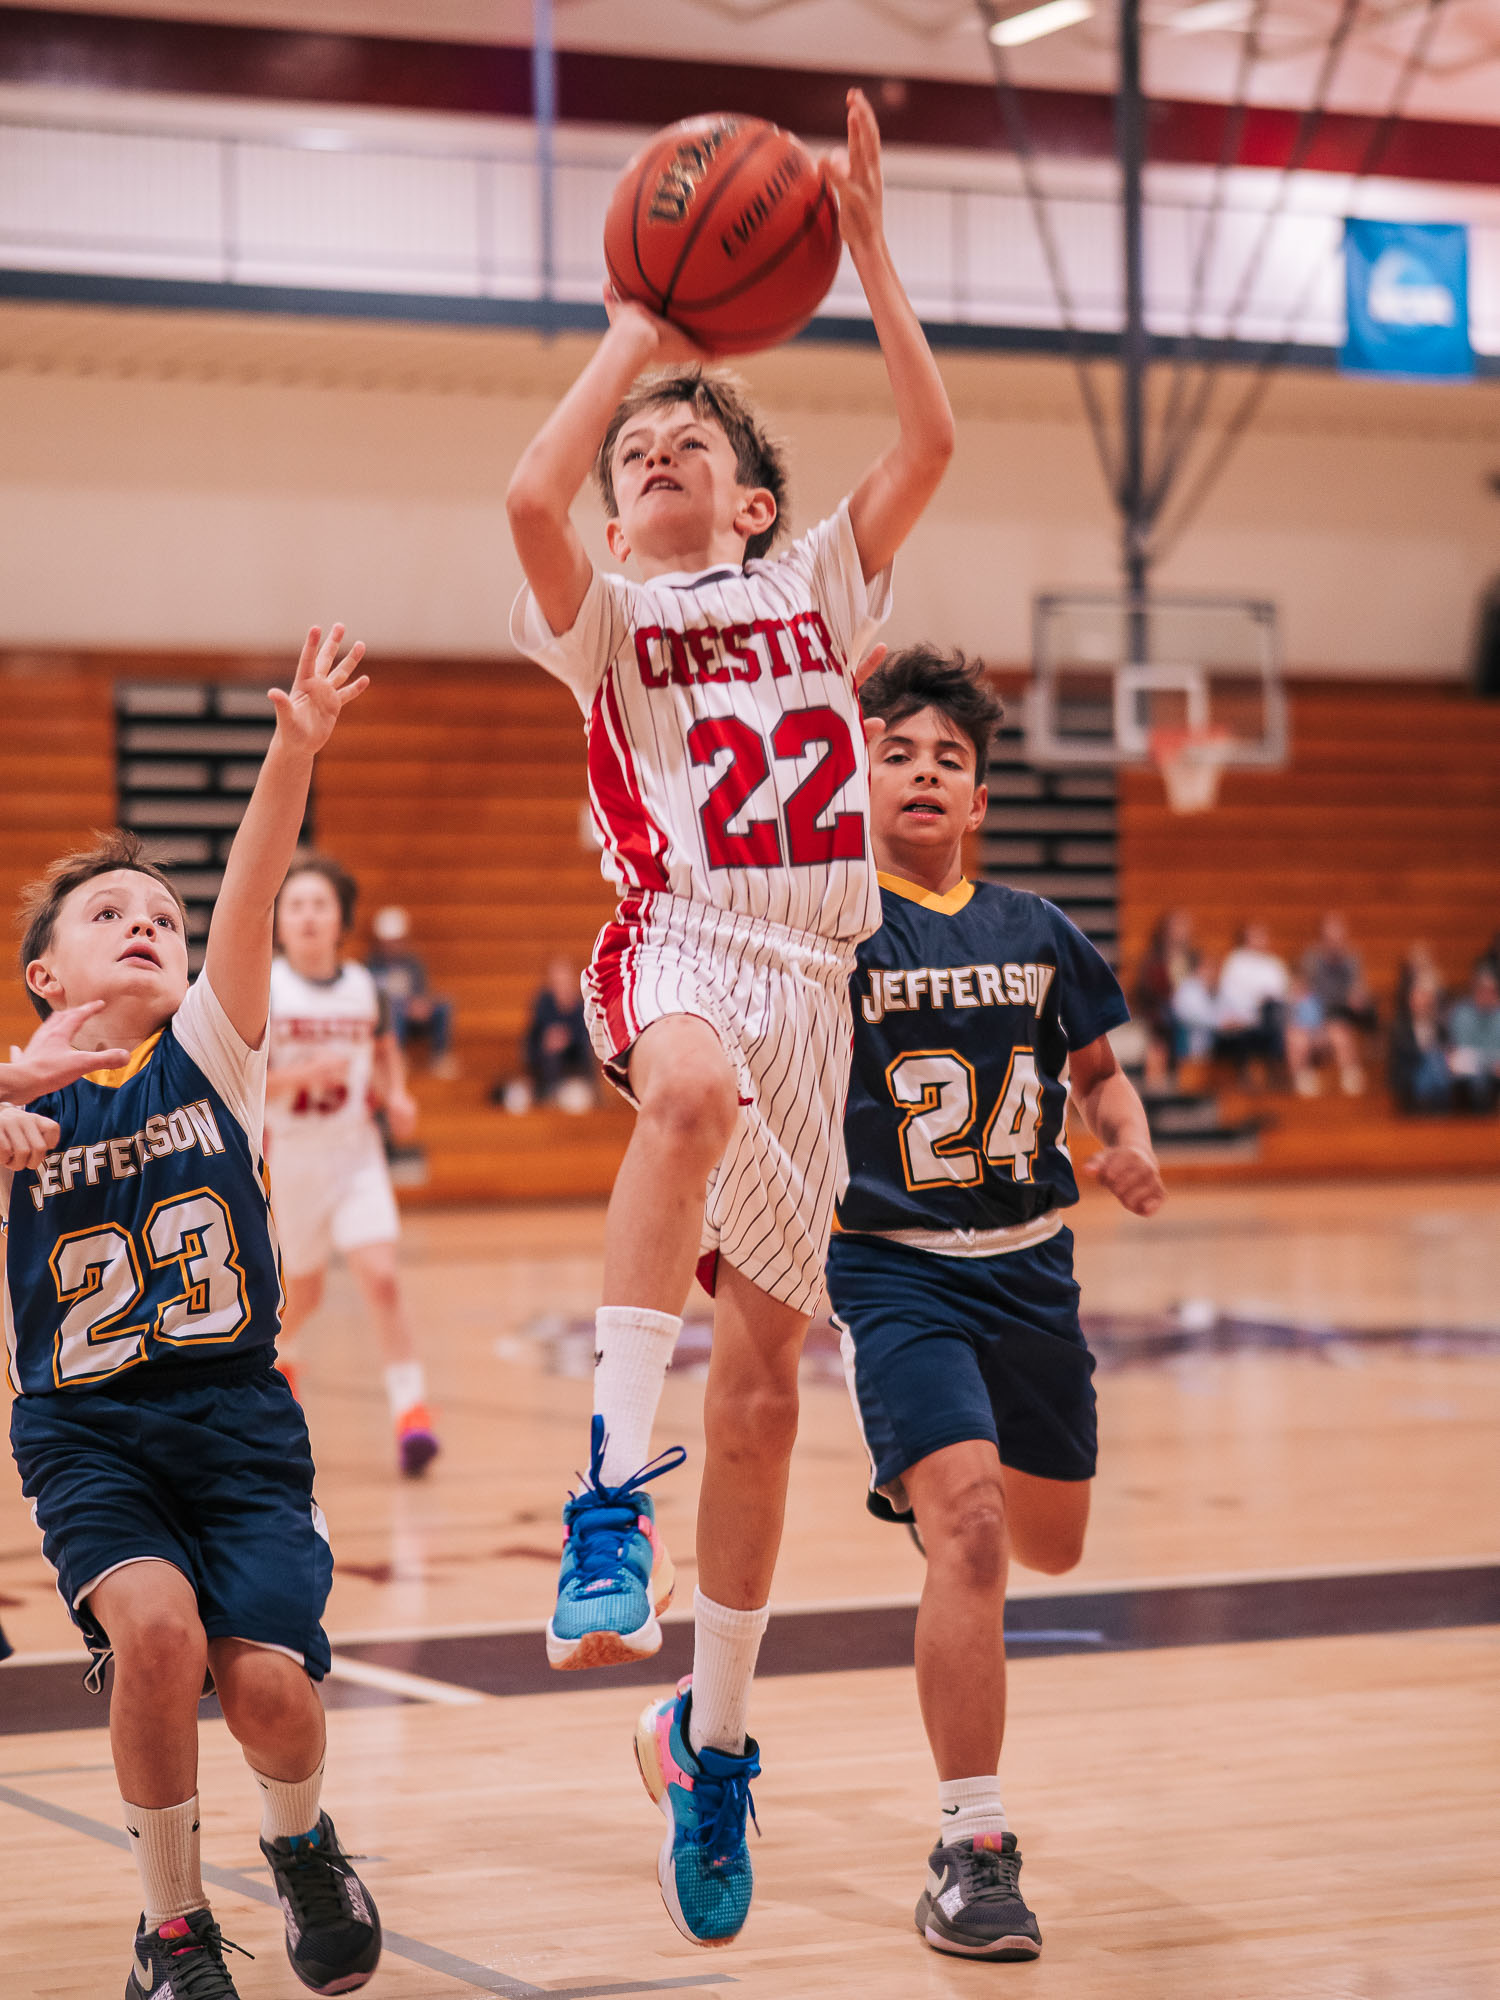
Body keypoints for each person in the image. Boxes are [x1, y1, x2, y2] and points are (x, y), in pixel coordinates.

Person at [505, 87, 954, 1947]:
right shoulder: (610, 617)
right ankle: (607, 1496)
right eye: (641, 456)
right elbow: (531, 494)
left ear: (756, 499)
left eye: (687, 442)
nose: (653, 458)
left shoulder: (813, 576)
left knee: (769, 1399)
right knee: (671, 1091)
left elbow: (928, 431)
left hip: (821, 987)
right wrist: (638, 330)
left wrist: (866, 256)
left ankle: (716, 1738)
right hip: (682, 935)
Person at [2, 627, 383, 2000]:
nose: (146, 925)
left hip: (235, 1428)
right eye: (109, 915)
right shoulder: (16, 1093)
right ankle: (170, 1930)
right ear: (47, 973)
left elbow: (250, 881)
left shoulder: (214, 1055)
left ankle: (301, 1844)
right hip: (89, 1435)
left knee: (273, 1693)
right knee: (156, 1639)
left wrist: (294, 750)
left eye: (158, 914)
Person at [826, 648, 1163, 1963]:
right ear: (856, 775)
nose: (921, 769)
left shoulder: (1037, 927)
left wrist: (1125, 1140)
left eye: (948, 759)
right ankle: (974, 1848)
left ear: (978, 802)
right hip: (894, 1266)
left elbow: (1101, 1078)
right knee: (971, 1527)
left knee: (1050, 1545)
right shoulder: (830, 921)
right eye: (896, 749)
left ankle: (952, 1506)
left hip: (1030, 1266)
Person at [266, 856, 440, 1477]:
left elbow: (387, 1052)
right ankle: (282, 1363)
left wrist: (398, 1094)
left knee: (381, 1276)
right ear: (279, 922)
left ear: (340, 918)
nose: (309, 916)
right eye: (296, 905)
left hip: (355, 1152)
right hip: (293, 1158)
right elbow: (241, 1086)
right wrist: (298, 1078)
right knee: (302, 1295)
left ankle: (411, 1411)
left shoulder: (365, 986)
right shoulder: (266, 990)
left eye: (320, 904)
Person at [368, 905, 457, 1078]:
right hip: (386, 1019)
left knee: (444, 1005)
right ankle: (397, 1057)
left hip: (413, 1015)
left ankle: (440, 1056)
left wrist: (420, 1004)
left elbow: (422, 991)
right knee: (394, 1006)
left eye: (396, 941)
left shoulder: (412, 963)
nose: (392, 945)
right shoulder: (370, 964)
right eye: (388, 941)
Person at [1298, 912, 1376, 1095]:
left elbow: (1358, 991)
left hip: (1342, 1013)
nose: (1335, 942)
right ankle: (1307, 1081)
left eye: (1339, 937)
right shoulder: (1311, 959)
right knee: (1309, 1036)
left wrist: (1358, 997)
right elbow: (1306, 995)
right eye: (1330, 937)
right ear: (1323, 938)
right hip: (1317, 1013)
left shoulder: (1351, 959)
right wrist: (1316, 1025)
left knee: (1341, 1032)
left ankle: (1352, 1081)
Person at [1214, 922, 1290, 1082]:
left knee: (1276, 1020)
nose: (1259, 940)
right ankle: (1244, 1075)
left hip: (1269, 1019)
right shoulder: (1236, 961)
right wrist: (1254, 1004)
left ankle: (1275, 1073)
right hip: (1243, 1018)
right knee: (1245, 1032)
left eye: (1262, 936)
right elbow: (1230, 993)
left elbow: (1281, 994)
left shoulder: (1273, 964)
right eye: (1255, 935)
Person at [1132, 909, 1196, 1086]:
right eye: (1178, 926)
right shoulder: (1154, 958)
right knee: (1164, 1028)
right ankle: (1159, 1081)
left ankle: (1189, 1077)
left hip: (1188, 1013)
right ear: (1167, 929)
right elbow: (1147, 990)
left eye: (1185, 926)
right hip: (1161, 1013)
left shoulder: (1193, 958)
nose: (1182, 931)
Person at [1446, 963, 1500, 1113]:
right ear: (1475, 992)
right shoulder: (1461, 1014)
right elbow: (1462, 1050)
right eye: (1483, 991)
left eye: (1491, 992)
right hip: (1469, 1072)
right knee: (1477, 1082)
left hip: (1496, 1069)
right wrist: (1487, 1062)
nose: (1487, 996)